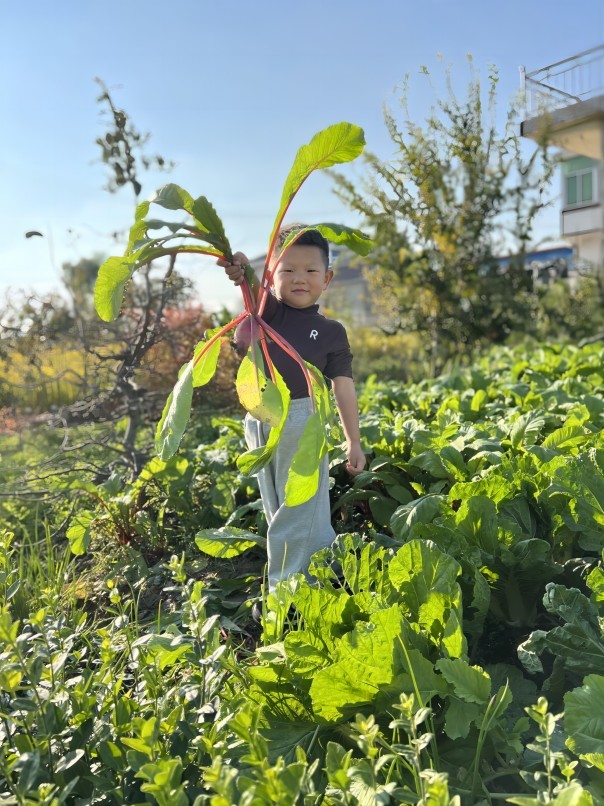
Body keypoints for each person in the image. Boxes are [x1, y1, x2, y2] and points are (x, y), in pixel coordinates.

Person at [218, 225, 365, 593]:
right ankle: (306, 581)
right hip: (260, 420)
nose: (300, 278)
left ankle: (290, 592)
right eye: (288, 270)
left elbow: (343, 386)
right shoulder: (268, 313)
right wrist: (241, 269)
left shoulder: (332, 332)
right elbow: (251, 287)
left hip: (303, 421)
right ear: (272, 276)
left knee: (300, 507)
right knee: (281, 508)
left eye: (311, 270)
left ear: (327, 279)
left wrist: (354, 440)